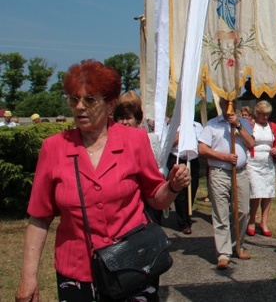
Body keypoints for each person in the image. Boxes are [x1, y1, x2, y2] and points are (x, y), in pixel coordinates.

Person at [14, 59, 190, 302]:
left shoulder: (135, 141)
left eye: (89, 100)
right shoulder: (53, 148)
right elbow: (39, 218)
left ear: (110, 104)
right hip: (77, 274)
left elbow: (156, 198)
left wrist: (172, 186)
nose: (79, 107)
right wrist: (28, 277)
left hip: (133, 268)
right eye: (74, 100)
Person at [198, 98, 255, 270]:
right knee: (221, 213)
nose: (229, 105)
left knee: (243, 211)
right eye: (225, 102)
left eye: (232, 102)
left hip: (241, 173)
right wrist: (224, 157)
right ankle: (223, 253)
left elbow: (251, 143)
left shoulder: (243, 122)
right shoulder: (212, 124)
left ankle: (238, 245)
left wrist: (238, 125)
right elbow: (202, 149)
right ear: (221, 104)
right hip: (220, 173)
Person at [114, 95, 163, 224]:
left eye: (128, 118)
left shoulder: (150, 138)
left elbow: (160, 165)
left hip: (147, 195)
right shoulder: (111, 141)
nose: (124, 122)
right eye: (121, 117)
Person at [246, 100, 276, 237]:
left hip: (268, 163)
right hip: (253, 162)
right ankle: (252, 221)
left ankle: (264, 222)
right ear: (257, 113)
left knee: (267, 193)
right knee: (255, 192)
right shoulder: (251, 125)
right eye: (263, 114)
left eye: (267, 114)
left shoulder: (273, 126)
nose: (265, 117)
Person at [168, 120, 203, 235]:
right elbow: (168, 144)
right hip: (177, 158)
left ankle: (188, 213)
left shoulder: (197, 126)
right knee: (180, 192)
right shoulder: (173, 125)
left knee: (192, 187)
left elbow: (202, 143)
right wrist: (180, 134)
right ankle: (183, 222)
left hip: (192, 160)